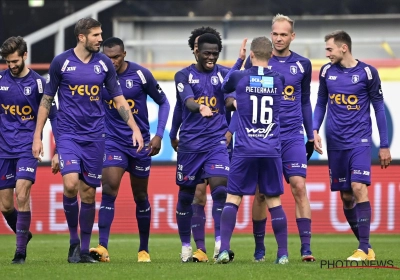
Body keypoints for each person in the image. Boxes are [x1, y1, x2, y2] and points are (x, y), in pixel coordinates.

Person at [32, 17, 144, 264]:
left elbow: (118, 99)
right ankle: (73, 242)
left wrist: (134, 128)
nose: (100, 39)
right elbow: (46, 100)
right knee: (71, 184)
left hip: (96, 137)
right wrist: (38, 135)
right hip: (69, 134)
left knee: (89, 194)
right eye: (95, 35)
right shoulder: (61, 62)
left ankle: (83, 250)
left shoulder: (104, 63)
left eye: (100, 34)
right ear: (81, 37)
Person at [89, 37, 170, 263]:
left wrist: (159, 134)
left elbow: (164, 102)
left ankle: (143, 249)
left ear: (124, 54)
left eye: (116, 57)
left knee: (141, 196)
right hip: (112, 141)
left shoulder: (141, 75)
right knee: (109, 188)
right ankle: (102, 247)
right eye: (107, 57)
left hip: (140, 144)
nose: (112, 61)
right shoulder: (98, 76)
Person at [313, 30, 391, 261]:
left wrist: (384, 144)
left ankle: (363, 248)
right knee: (346, 196)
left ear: (343, 48)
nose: (326, 54)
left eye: (329, 49)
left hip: (359, 140)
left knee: (358, 187)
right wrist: (315, 130)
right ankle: (366, 247)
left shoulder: (367, 73)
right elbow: (320, 104)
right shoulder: (327, 72)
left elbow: (378, 108)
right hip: (335, 142)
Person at [243, 14, 315, 262]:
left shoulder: (303, 65)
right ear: (271, 34)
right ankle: (260, 249)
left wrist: (312, 130)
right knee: (262, 193)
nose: (279, 38)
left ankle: (306, 249)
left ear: (292, 36)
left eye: (284, 34)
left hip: (293, 136)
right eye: (275, 33)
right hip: (265, 136)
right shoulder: (258, 62)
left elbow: (304, 101)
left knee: (299, 186)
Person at [216, 36, 289, 264]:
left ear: (251, 54)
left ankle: (225, 250)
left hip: (245, 149)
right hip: (270, 148)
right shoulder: (279, 79)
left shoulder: (241, 76)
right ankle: (283, 254)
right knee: (274, 201)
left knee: (233, 198)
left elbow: (223, 87)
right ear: (271, 54)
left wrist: (239, 61)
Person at [173, 33, 244, 263]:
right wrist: (199, 107)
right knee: (187, 196)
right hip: (191, 145)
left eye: (215, 53)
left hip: (216, 142)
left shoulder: (224, 74)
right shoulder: (183, 75)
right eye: (207, 53)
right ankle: (188, 246)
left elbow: (228, 99)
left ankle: (219, 245)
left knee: (221, 189)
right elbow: (186, 102)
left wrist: (235, 102)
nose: (211, 57)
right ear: (196, 52)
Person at [0, 36, 58, 264]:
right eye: (7, 61)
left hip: (27, 147)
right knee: (5, 205)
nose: (11, 65)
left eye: (14, 60)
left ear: (25, 56)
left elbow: (55, 117)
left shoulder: (39, 84)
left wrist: (58, 149)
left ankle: (20, 253)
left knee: (22, 194)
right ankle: (24, 232)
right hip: (3, 149)